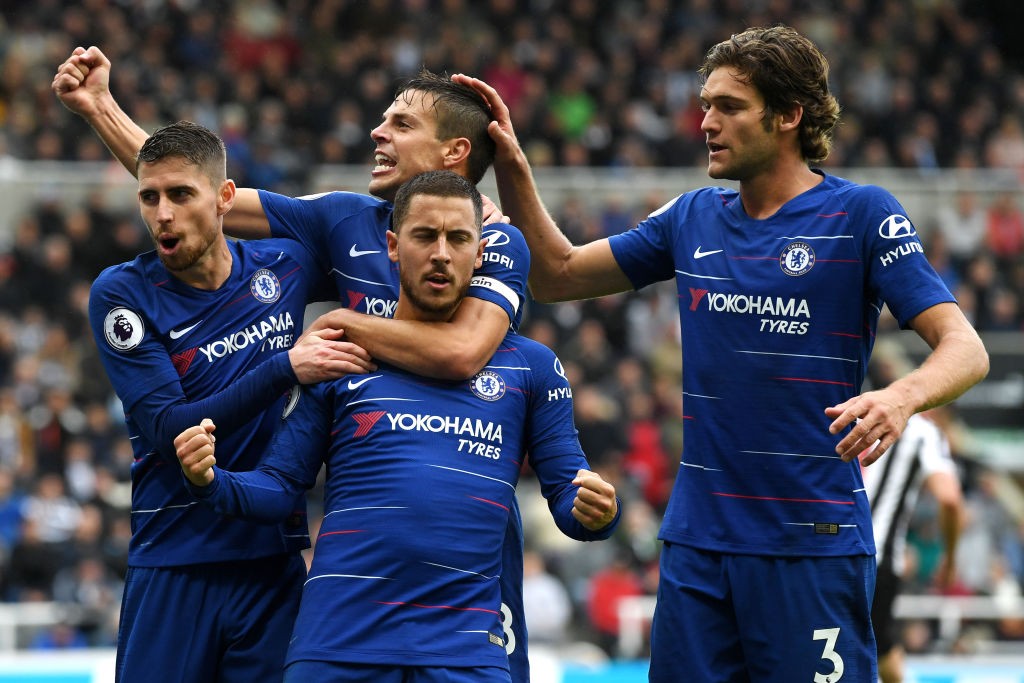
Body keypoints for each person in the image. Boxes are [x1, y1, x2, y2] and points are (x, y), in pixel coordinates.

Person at [455, 24, 989, 682]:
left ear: (790, 115)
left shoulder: (861, 215)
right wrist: (513, 165)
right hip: (697, 548)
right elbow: (557, 274)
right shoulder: (692, 217)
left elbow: (966, 349)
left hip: (810, 547)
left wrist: (901, 396)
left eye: (729, 107)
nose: (705, 121)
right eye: (705, 104)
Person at [54, 48, 539, 680]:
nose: (377, 132)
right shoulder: (340, 221)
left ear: (453, 153)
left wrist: (339, 324)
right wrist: (101, 108)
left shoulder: (495, 239)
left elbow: (462, 353)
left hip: (466, 520)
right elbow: (201, 198)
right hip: (361, 516)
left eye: (400, 123)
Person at [174, 170, 621, 682]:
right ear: (392, 245)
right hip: (337, 647)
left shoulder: (531, 367)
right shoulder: (339, 358)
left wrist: (598, 511)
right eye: (425, 236)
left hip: (465, 654)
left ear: (479, 255)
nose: (441, 254)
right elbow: (279, 488)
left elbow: (569, 498)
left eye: (458, 239)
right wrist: (211, 481)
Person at [86, 121, 371, 682]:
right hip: (175, 558)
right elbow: (171, 429)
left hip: (271, 562)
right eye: (149, 197)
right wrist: (286, 366)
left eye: (180, 194)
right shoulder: (122, 293)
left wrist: (469, 207)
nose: (162, 214)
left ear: (223, 200)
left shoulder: (283, 268)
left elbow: (380, 247)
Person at [862, 412, 963, 683]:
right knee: (879, 647)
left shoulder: (868, 414)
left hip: (836, 548)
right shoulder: (924, 430)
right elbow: (950, 499)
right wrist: (950, 560)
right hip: (877, 558)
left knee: (869, 645)